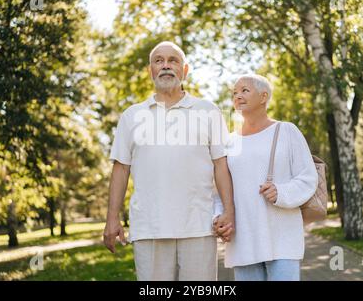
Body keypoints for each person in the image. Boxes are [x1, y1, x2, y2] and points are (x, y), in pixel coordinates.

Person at [103, 41, 235, 281]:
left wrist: (229, 210)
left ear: (184, 70)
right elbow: (121, 169)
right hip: (149, 226)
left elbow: (221, 165)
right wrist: (112, 218)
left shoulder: (208, 111)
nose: (166, 66)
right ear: (150, 70)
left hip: (199, 225)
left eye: (173, 60)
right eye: (159, 61)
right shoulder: (131, 116)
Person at [214, 74, 318, 281]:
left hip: (282, 238)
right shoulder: (229, 142)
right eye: (235, 93)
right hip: (243, 241)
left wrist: (281, 191)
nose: (237, 96)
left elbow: (308, 177)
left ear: (264, 97)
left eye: (244, 90)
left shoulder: (286, 131)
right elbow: (219, 189)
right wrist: (220, 217)